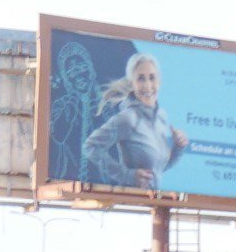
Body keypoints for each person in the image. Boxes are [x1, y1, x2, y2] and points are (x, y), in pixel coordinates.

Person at [79, 53, 189, 190]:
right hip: (129, 202)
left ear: (159, 82)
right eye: (141, 79)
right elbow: (90, 147)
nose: (148, 85)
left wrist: (179, 148)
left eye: (152, 78)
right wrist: (127, 175)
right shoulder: (128, 118)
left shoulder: (162, 117)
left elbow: (157, 169)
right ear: (132, 84)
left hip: (151, 203)